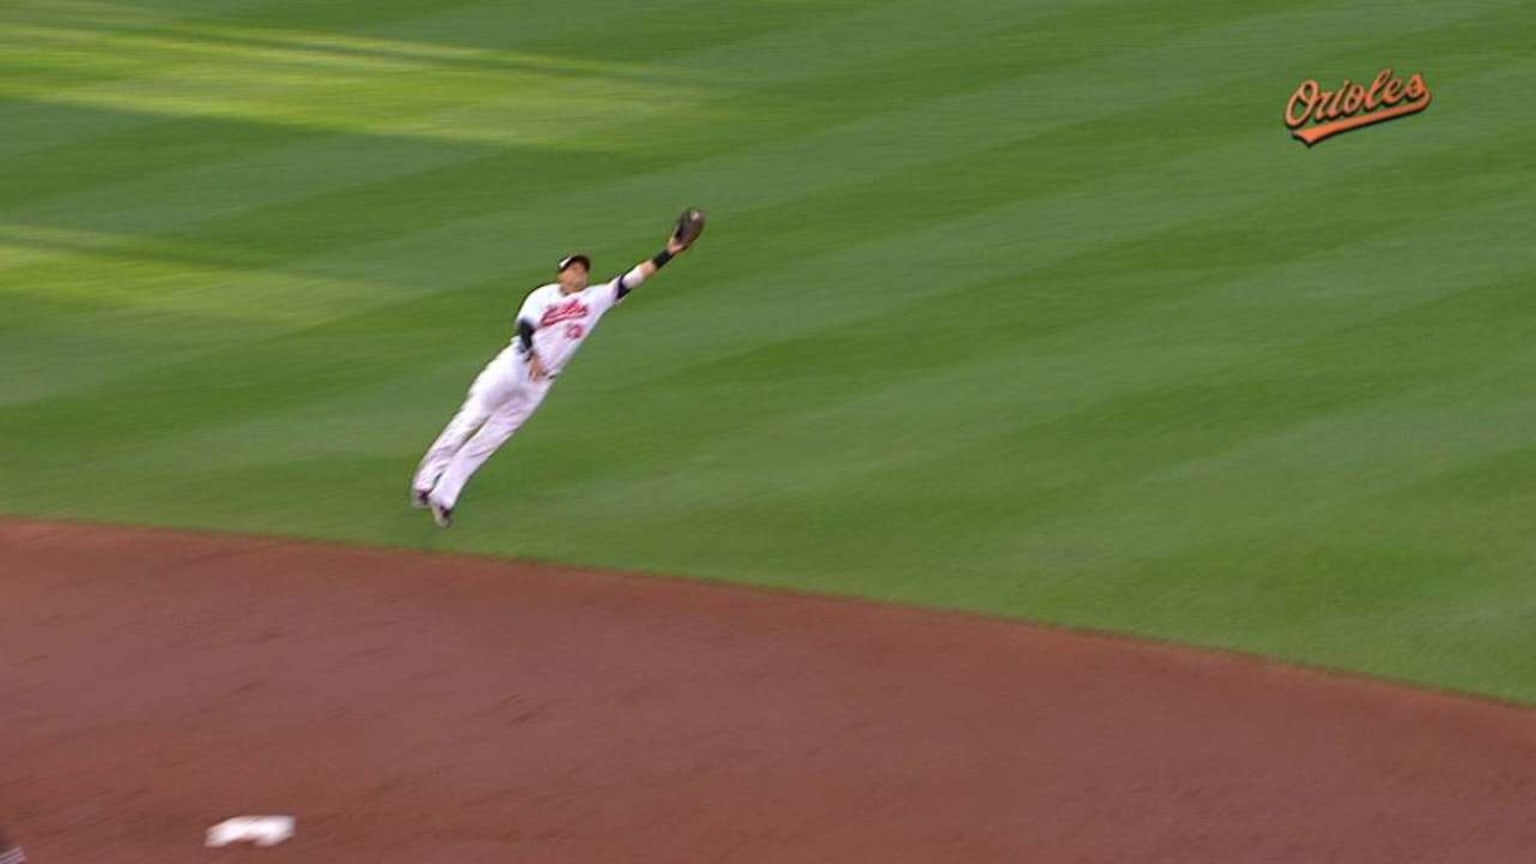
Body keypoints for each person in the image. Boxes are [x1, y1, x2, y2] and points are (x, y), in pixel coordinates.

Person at [411, 220, 696, 527]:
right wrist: (532, 353)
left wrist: (669, 253)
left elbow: (634, 278)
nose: (578, 274)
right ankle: (425, 483)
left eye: (582, 270)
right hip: (512, 367)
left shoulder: (595, 299)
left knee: (492, 438)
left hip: (539, 384)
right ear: (561, 273)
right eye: (572, 269)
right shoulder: (542, 296)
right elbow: (524, 326)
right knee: (470, 419)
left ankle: (445, 496)